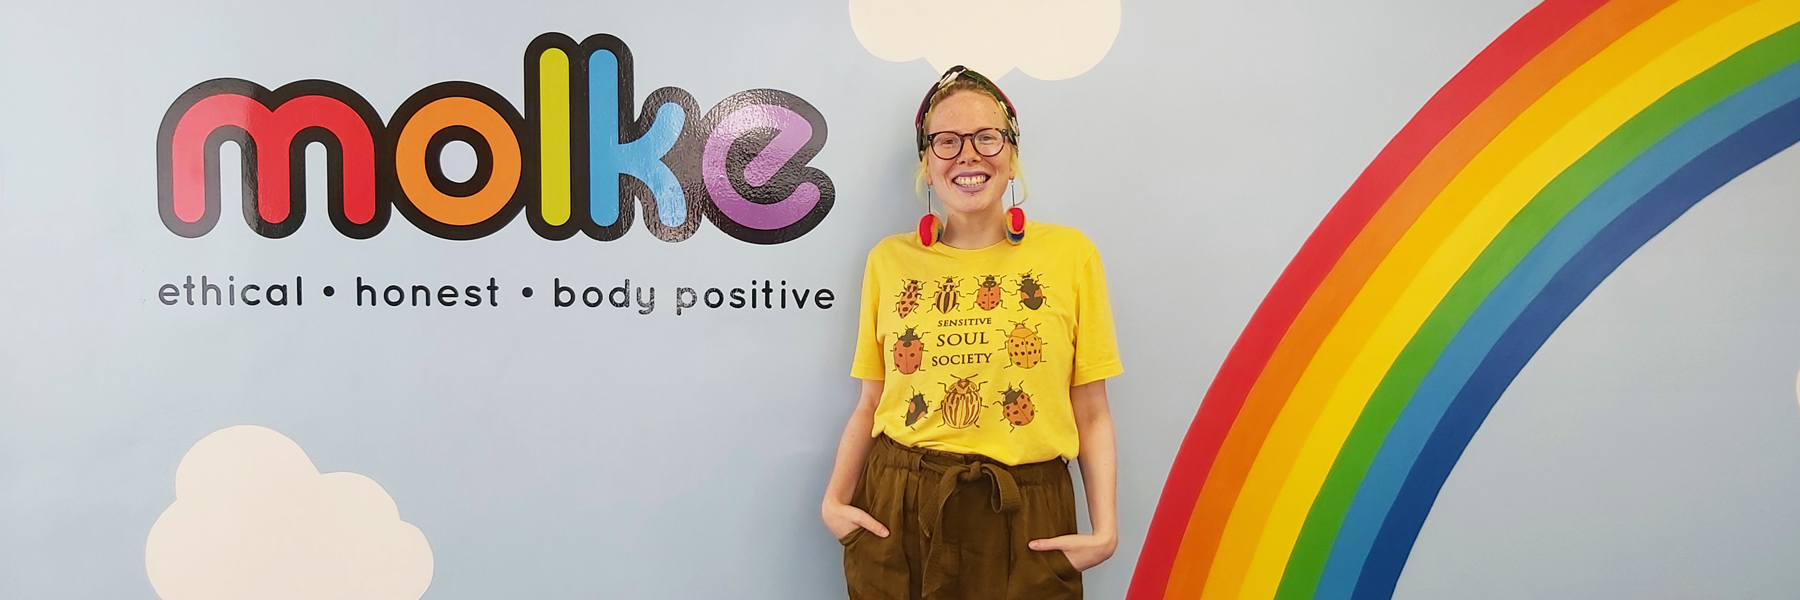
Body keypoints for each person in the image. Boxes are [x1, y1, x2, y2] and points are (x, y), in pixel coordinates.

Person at [820, 65, 1122, 600]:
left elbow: (1092, 408)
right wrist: (834, 503)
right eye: (947, 141)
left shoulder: (1071, 255)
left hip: (1027, 509)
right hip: (902, 501)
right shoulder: (889, 261)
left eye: (987, 137)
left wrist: (1106, 531)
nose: (969, 155)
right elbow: (871, 400)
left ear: (1011, 155)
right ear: (926, 162)